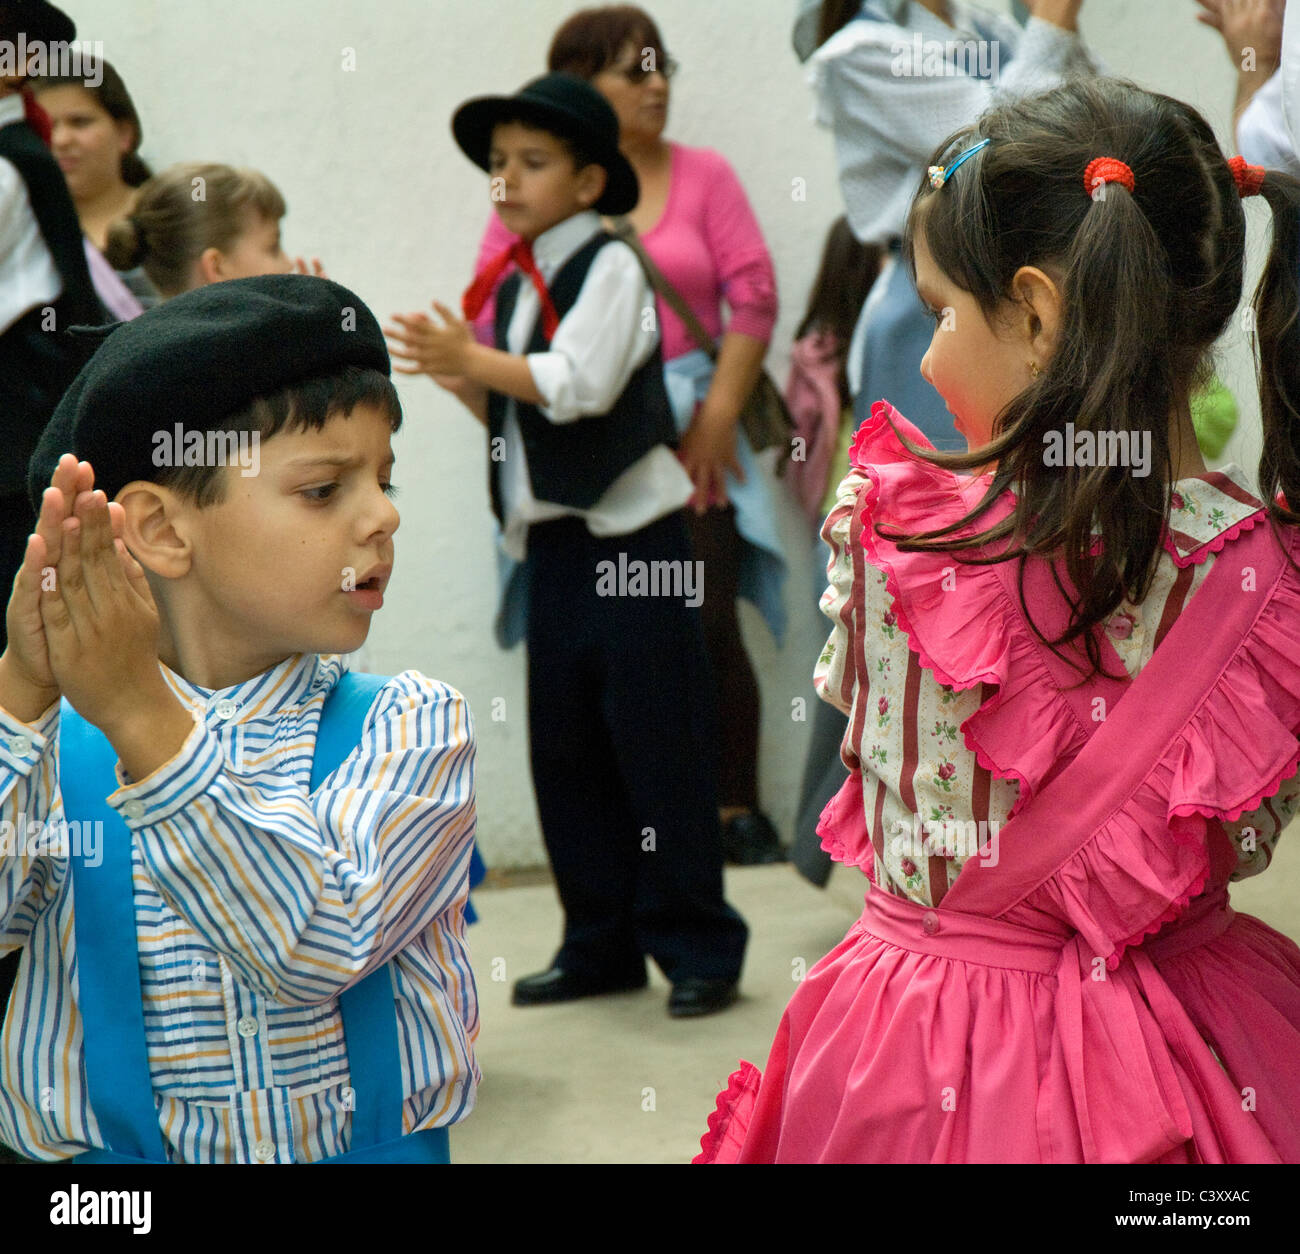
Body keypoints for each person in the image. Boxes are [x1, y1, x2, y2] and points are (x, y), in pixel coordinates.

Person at [696, 76, 1300, 1163]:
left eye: (940, 312)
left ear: (1034, 313)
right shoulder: (1277, 580)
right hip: (1208, 1052)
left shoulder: (899, 534)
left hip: (930, 1045)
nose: (926, 359)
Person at [0, 275, 479, 1162]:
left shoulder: (411, 730)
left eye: (385, 476)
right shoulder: (51, 750)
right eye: (325, 488)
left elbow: (317, 945)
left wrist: (143, 716)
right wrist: (20, 692)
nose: (385, 513)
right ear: (163, 531)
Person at [387, 72, 748, 1017]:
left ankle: (698, 942)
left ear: (590, 183)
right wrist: (462, 379)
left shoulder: (615, 266)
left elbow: (578, 382)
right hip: (553, 547)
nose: (507, 178)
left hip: (633, 541)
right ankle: (600, 940)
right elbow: (524, 404)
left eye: (532, 162)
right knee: (569, 750)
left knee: (657, 742)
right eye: (498, 163)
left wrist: (476, 361)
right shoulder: (516, 280)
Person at [470, 7, 787, 864]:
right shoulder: (527, 223)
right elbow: (495, 356)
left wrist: (717, 417)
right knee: (572, 703)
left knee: (700, 624)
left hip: (684, 432)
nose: (654, 84)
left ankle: (728, 819)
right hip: (563, 476)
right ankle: (603, 917)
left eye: (661, 67)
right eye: (630, 70)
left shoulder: (702, 175)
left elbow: (752, 294)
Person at [32, 58, 161, 311]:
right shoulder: (23, 233)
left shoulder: (174, 220)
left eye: (80, 122)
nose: (61, 140)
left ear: (124, 134)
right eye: (46, 126)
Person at [102, 161, 325, 300]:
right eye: (273, 247)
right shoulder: (266, 361)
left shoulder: (138, 360)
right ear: (217, 266)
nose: (288, 264)